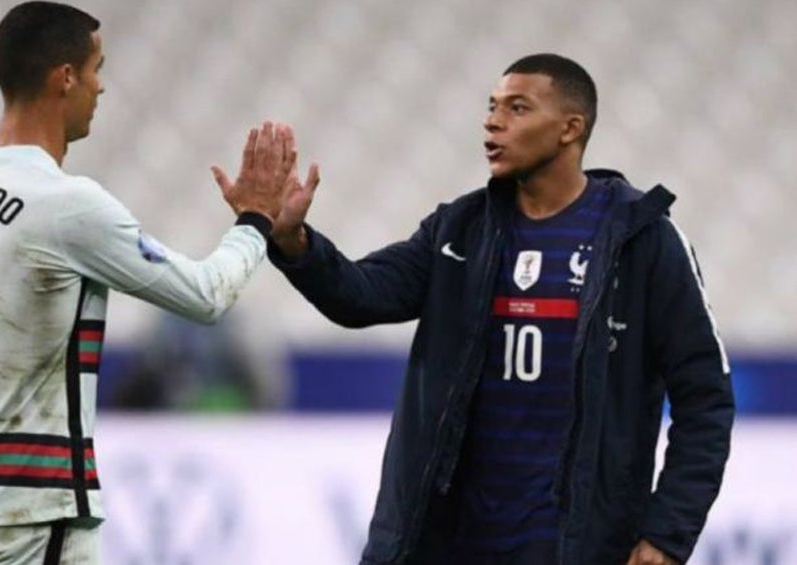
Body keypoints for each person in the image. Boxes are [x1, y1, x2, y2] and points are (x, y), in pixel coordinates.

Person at [257, 53, 733, 564]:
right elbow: (360, 295)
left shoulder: (643, 241)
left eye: (517, 107)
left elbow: (704, 399)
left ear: (570, 128)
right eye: (491, 106)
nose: (492, 120)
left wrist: (666, 532)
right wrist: (293, 241)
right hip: (448, 542)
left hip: (573, 547)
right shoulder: (459, 229)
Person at [0, 2, 295, 563]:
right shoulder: (66, 207)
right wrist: (256, 222)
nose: (102, 87)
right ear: (64, 78)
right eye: (97, 69)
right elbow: (205, 295)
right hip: (37, 505)